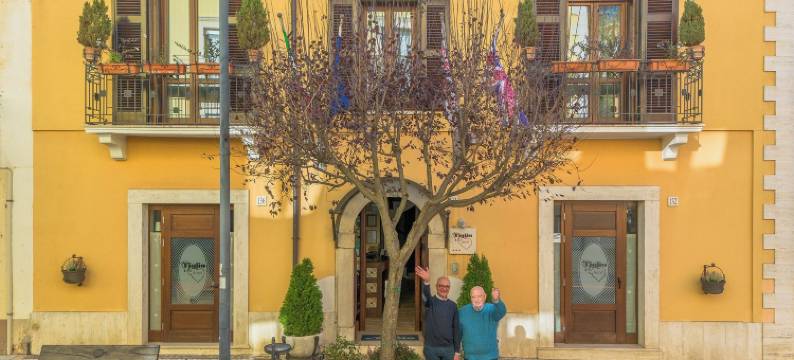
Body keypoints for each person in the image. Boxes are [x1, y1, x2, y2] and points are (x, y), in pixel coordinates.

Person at [415, 266, 461, 360]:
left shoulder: (453, 306)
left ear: (449, 288)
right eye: (441, 286)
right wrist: (427, 282)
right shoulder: (430, 302)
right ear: (436, 286)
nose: (444, 289)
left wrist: (457, 351)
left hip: (449, 349)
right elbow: (425, 296)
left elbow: (456, 328)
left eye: (447, 286)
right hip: (431, 348)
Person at [458, 286, 506, 360]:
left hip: (490, 357)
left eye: (479, 296)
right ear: (470, 298)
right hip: (470, 357)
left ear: (485, 296)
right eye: (473, 297)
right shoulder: (462, 312)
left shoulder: (492, 309)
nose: (476, 300)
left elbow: (501, 311)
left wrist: (496, 300)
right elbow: (457, 333)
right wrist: (456, 352)